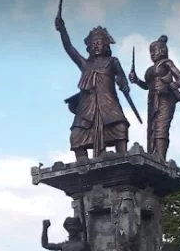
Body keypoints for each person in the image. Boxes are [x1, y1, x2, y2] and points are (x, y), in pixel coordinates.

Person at [55, 14, 133, 161]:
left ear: (106, 45)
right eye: (94, 43)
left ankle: (123, 160)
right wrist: (62, 30)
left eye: (100, 42)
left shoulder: (112, 61)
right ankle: (82, 164)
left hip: (108, 105)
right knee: (76, 137)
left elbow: (122, 78)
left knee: (120, 129)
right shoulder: (85, 64)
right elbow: (69, 48)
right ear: (89, 47)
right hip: (87, 107)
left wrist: (124, 84)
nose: (96, 45)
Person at [128, 35, 180, 162]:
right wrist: (136, 81)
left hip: (165, 98)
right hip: (152, 99)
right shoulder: (151, 69)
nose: (152, 54)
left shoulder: (167, 63)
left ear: (162, 50)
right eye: (150, 51)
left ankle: (161, 158)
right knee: (151, 128)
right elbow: (147, 86)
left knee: (161, 127)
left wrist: (173, 85)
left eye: (155, 50)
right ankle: (153, 154)